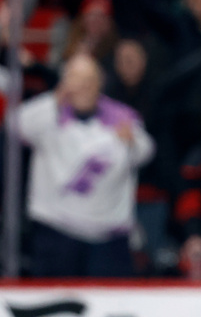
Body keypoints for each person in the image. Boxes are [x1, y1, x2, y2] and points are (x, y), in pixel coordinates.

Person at [17, 53, 155, 276]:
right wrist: (55, 98)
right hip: (57, 231)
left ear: (100, 83)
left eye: (89, 80)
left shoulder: (120, 117)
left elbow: (145, 152)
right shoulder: (48, 114)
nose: (83, 86)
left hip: (108, 236)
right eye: (76, 78)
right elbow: (17, 127)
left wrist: (131, 141)